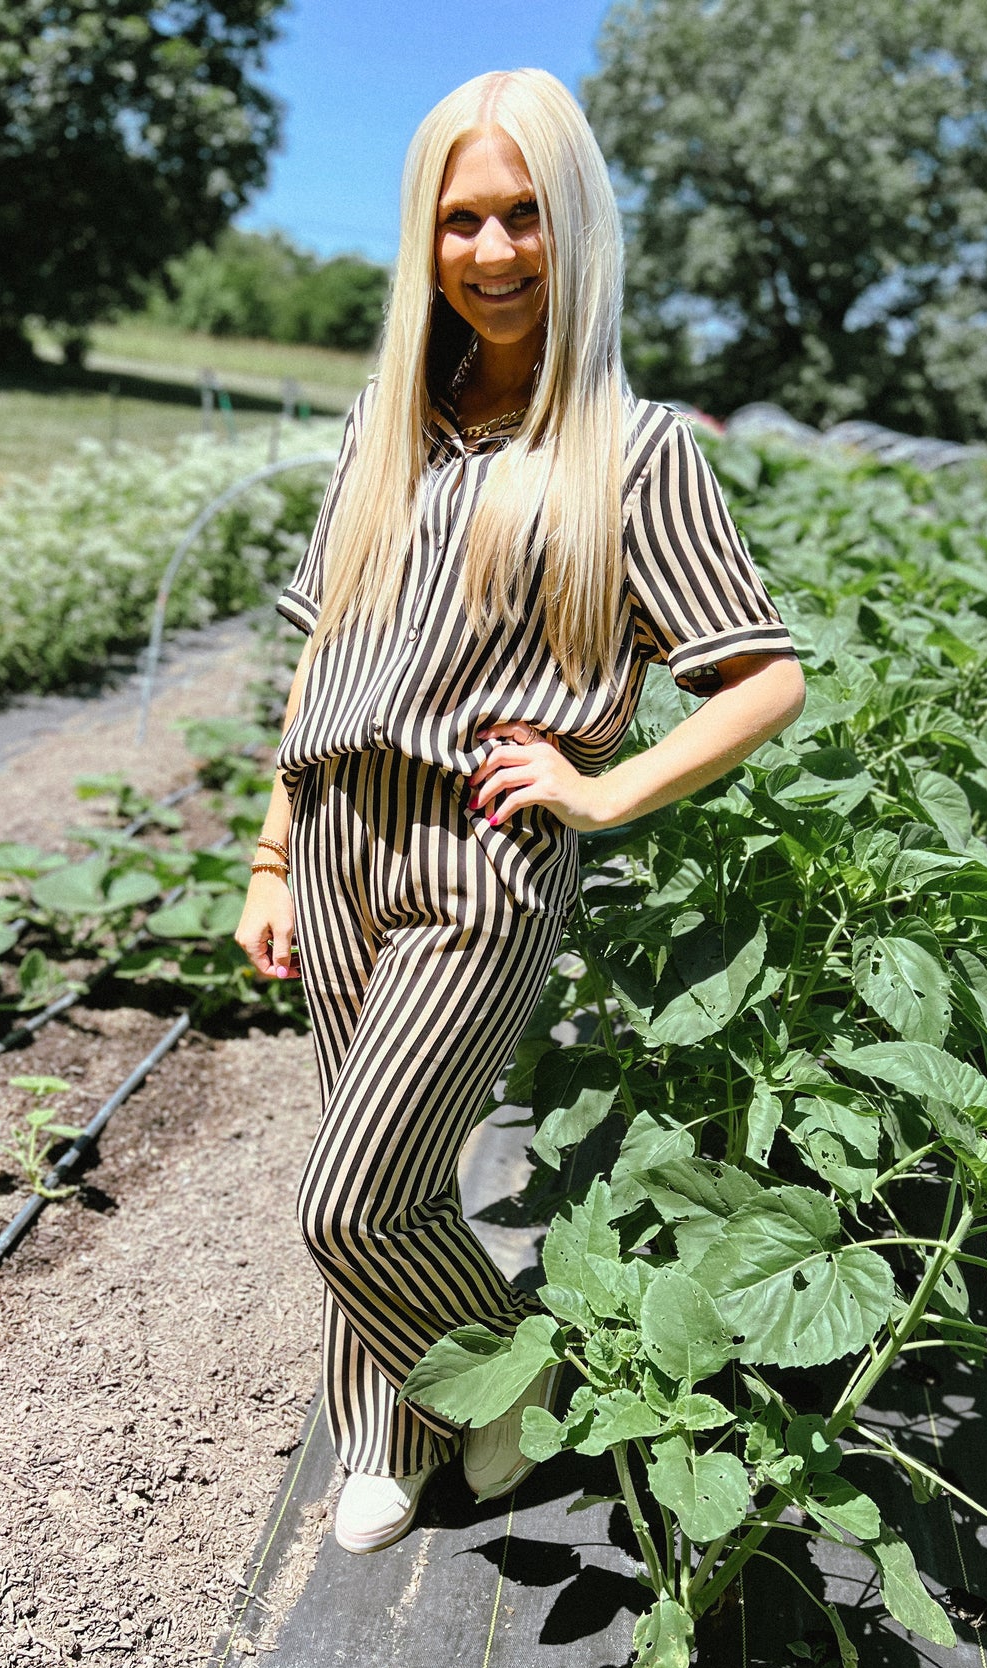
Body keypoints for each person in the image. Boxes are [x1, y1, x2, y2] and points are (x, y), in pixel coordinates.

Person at [233, 67, 805, 1555]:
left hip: (479, 857)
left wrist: (604, 788)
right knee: (392, 1171)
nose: (491, 253)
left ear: (576, 228)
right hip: (341, 837)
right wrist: (274, 852)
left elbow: (760, 680)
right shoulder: (388, 423)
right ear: (426, 237)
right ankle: (389, 1435)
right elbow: (323, 647)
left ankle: (513, 1375)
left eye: (524, 216)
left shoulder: (635, 451)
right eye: (461, 219)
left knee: (347, 1201)